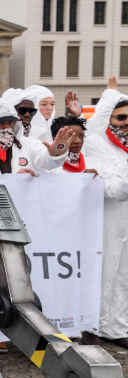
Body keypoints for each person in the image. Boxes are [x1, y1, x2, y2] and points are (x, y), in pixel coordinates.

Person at [81, 80, 128, 347]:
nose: (125, 122)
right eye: (120, 117)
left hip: (125, 219)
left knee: (124, 276)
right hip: (106, 219)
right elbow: (106, 186)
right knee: (103, 273)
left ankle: (118, 327)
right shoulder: (96, 144)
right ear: (108, 117)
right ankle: (93, 325)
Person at [0, 97, 73, 181]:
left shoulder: (28, 144)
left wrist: (57, 152)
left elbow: (47, 162)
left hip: (22, 207)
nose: (6, 127)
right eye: (0, 124)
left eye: (10, 123)